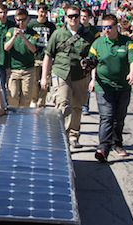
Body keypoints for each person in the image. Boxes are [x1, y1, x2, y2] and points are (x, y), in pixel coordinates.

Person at [42, 5, 95, 148]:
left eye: (76, 16)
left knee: (77, 106)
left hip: (80, 75)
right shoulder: (58, 34)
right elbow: (48, 55)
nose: (73, 19)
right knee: (64, 104)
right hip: (61, 73)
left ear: (80, 17)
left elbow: (94, 58)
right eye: (70, 16)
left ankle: (74, 136)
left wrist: (92, 75)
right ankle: (62, 136)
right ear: (65, 18)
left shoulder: (89, 35)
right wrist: (44, 77)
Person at [88, 14, 133, 162]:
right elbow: (92, 62)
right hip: (103, 86)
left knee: (119, 118)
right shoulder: (97, 43)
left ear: (117, 27)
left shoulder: (127, 42)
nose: (106, 30)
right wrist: (92, 79)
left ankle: (117, 144)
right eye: (104, 27)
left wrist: (132, 74)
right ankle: (103, 148)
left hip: (123, 86)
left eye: (109, 27)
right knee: (107, 117)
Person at [4, 8, 38, 107]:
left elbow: (33, 49)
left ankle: (23, 119)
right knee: (12, 96)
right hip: (14, 70)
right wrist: (14, 37)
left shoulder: (33, 33)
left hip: (28, 70)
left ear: (27, 19)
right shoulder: (10, 31)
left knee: (26, 98)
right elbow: (6, 47)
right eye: (18, 20)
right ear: (15, 19)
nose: (21, 22)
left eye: (23, 19)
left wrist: (23, 36)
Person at [28, 3, 56, 108]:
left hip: (46, 57)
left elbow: (54, 41)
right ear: (37, 11)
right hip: (35, 57)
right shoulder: (32, 24)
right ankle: (34, 100)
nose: (43, 14)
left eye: (45, 12)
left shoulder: (51, 26)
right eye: (41, 11)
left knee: (45, 81)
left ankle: (41, 102)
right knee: (35, 81)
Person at [80, 7, 100, 115]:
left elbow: (97, 44)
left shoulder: (94, 31)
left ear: (89, 18)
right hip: (78, 59)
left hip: (89, 58)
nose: (82, 18)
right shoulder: (76, 28)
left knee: (87, 83)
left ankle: (85, 106)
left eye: (85, 16)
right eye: (81, 16)